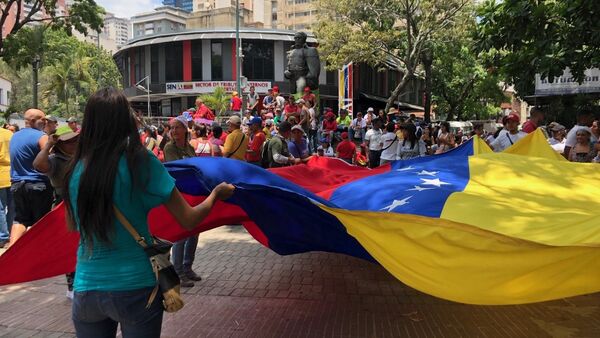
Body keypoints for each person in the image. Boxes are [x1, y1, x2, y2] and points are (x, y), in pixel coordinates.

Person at [63, 89, 234, 337]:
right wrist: (216, 194)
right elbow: (188, 219)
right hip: (136, 287)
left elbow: (72, 225)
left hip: (87, 287)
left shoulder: (75, 169)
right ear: (124, 120)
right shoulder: (139, 161)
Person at [33, 125, 79, 298]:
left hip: (85, 204)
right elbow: (38, 164)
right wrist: (47, 146)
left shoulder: (84, 156)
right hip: (64, 206)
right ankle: (72, 286)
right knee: (69, 247)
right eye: (69, 141)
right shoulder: (54, 159)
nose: (74, 143)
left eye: (75, 139)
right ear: (59, 144)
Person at [8, 109, 53, 247]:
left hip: (17, 185)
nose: (45, 122)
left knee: (20, 220)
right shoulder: (41, 136)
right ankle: (40, 254)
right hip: (38, 184)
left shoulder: (15, 136)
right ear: (33, 121)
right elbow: (50, 154)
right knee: (41, 223)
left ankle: (11, 253)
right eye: (43, 119)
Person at [0, 126, 12, 248]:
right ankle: (10, 234)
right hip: (12, 173)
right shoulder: (10, 133)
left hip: (1, 174)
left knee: (1, 208)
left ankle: (3, 237)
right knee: (12, 207)